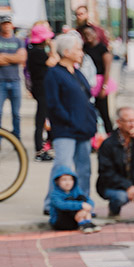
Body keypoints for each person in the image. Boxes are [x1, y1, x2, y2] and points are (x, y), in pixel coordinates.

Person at [45, 32, 98, 207]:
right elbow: (53, 103)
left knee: (84, 169)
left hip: (83, 128)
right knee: (62, 167)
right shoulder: (54, 74)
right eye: (78, 49)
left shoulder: (77, 72)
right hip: (65, 129)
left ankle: (83, 201)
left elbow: (87, 96)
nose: (81, 53)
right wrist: (68, 119)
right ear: (66, 52)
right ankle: (52, 203)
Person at [0, 16, 27, 151]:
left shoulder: (18, 41)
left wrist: (2, 56)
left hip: (15, 81)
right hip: (0, 81)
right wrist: (12, 58)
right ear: (1, 25)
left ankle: (17, 139)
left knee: (16, 114)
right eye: (4, 24)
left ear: (12, 25)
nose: (6, 26)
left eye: (8, 24)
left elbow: (22, 58)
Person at [26, 21, 59, 161]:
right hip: (41, 88)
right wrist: (53, 47)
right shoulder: (36, 52)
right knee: (41, 119)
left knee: (48, 117)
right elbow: (54, 61)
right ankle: (39, 150)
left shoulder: (36, 50)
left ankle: (47, 144)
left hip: (42, 87)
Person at [80, 26, 113, 134]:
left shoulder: (102, 48)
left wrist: (104, 87)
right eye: (85, 34)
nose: (87, 36)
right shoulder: (83, 48)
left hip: (100, 82)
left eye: (89, 33)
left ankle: (110, 136)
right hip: (87, 82)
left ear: (95, 34)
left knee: (104, 112)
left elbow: (107, 69)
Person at [49, 165, 100, 233]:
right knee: (70, 201)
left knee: (81, 198)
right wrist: (81, 205)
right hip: (61, 222)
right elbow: (62, 205)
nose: (68, 183)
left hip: (75, 220)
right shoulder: (55, 194)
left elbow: (88, 200)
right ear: (57, 182)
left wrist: (86, 208)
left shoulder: (76, 190)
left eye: (70, 180)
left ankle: (87, 222)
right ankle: (84, 223)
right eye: (64, 180)